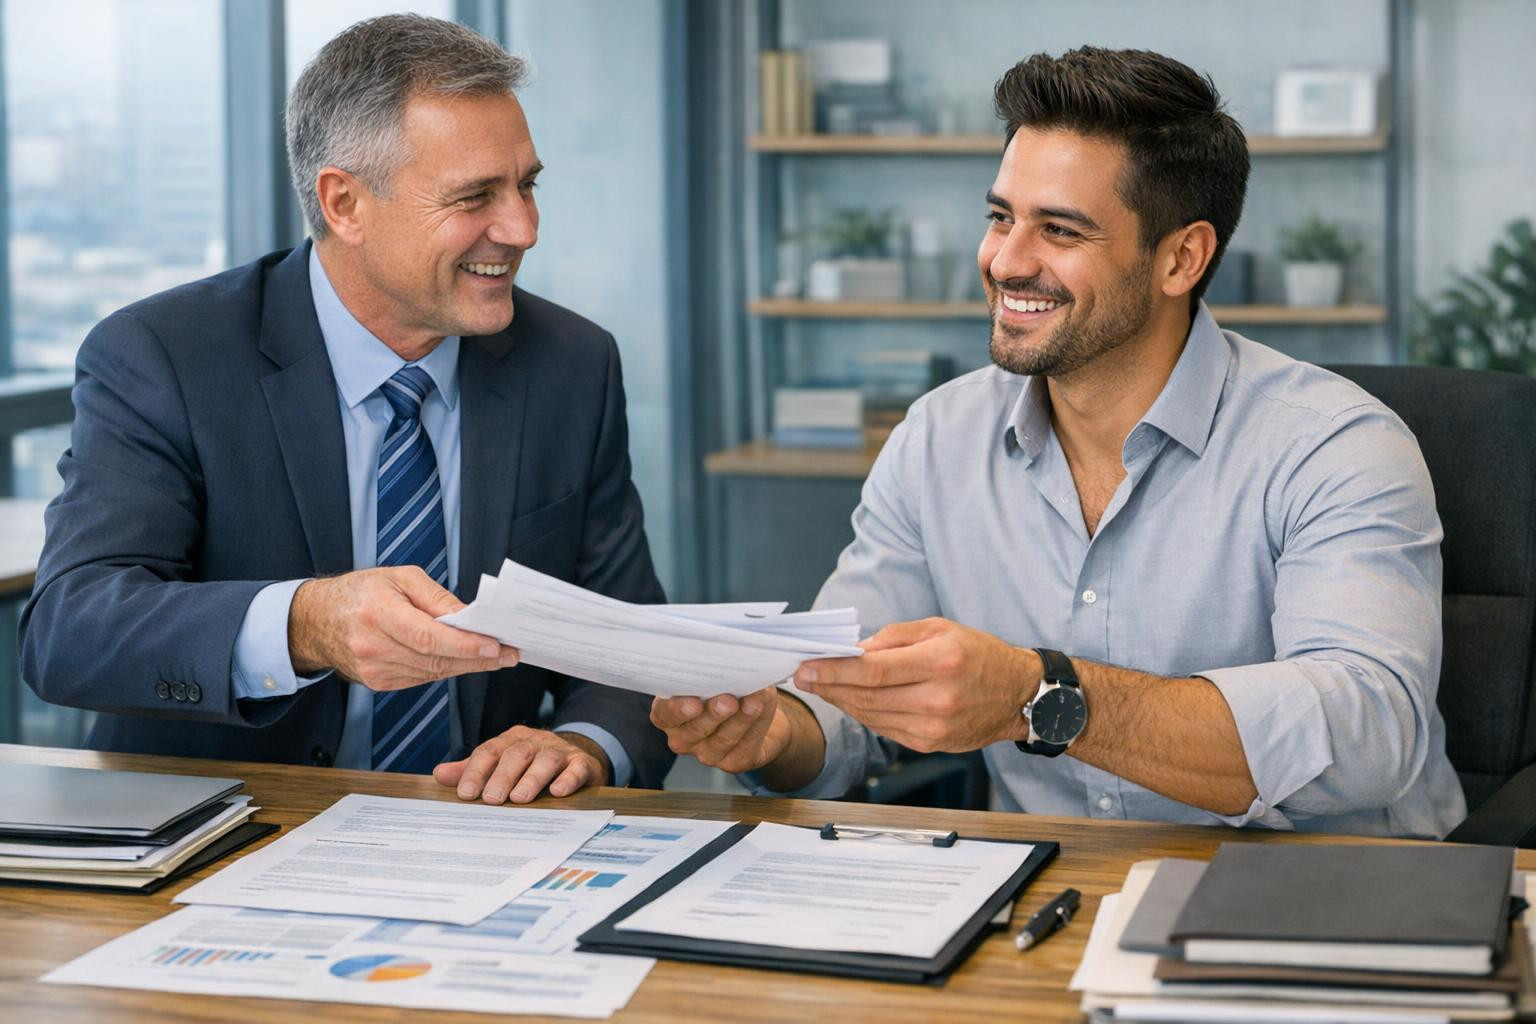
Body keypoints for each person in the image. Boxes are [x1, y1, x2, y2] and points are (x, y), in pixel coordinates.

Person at [652, 47, 1465, 838]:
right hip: (1052, 890)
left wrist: (1040, 696)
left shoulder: (1334, 445)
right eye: (1000, 217)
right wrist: (774, 735)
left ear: (1181, 258)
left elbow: (1368, 733)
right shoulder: (939, 438)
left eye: (1061, 231)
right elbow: (846, 707)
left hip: (1328, 889)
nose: (1006, 262)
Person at [20, 14, 672, 802]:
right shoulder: (164, 355)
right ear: (345, 203)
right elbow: (71, 631)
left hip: (480, 829)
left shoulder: (571, 363)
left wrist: (580, 745)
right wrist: (305, 624)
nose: (523, 229)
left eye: (526, 186)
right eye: (475, 196)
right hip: (225, 829)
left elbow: (631, 649)